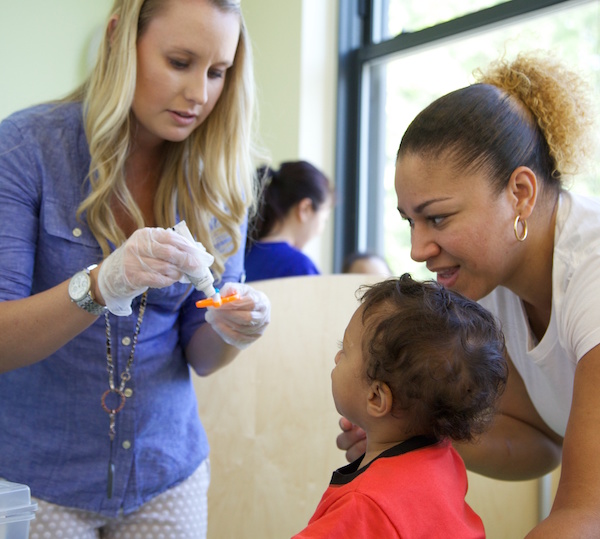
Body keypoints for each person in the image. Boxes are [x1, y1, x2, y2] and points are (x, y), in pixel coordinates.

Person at [0, 1, 271, 538]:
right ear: (120, 39)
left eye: (217, 72)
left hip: (166, 475)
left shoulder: (220, 181)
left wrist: (234, 329)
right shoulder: (25, 149)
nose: (199, 94)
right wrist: (101, 284)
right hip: (33, 477)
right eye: (179, 61)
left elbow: (201, 354)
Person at [337, 50, 600, 538]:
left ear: (520, 192)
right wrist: (415, 429)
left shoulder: (592, 274)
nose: (418, 250)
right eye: (410, 221)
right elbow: (541, 440)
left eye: (437, 218)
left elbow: (586, 514)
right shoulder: (489, 282)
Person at [292, 274, 507, 538]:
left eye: (344, 350)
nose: (337, 357)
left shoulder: (362, 506)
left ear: (376, 398)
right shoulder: (444, 457)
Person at [244, 160, 333, 281]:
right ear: (305, 209)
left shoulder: (243, 256)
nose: (321, 230)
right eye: (324, 220)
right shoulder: (299, 268)